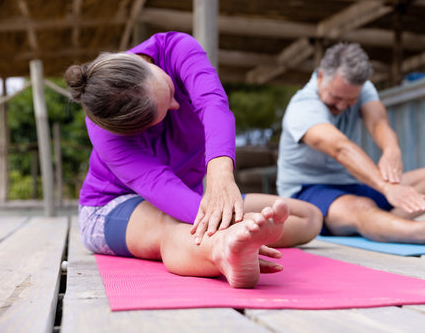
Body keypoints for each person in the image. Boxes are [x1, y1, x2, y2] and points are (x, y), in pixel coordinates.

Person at [64, 31, 322, 289]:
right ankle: (223, 251)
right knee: (169, 225)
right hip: (112, 207)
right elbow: (159, 185)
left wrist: (221, 178)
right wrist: (231, 223)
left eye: (169, 90)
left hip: (192, 194)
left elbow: (213, 105)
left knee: (308, 218)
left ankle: (233, 240)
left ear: (145, 63)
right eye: (163, 113)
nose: (176, 105)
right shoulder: (106, 134)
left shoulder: (175, 48)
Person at [277, 42, 425, 247]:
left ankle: (382, 226)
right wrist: (386, 187)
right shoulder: (303, 107)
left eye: (350, 100)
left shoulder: (362, 87)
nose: (342, 106)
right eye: (336, 98)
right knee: (363, 206)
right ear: (321, 76)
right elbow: (340, 148)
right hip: (306, 191)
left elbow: (378, 122)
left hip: (351, 184)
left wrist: (391, 149)